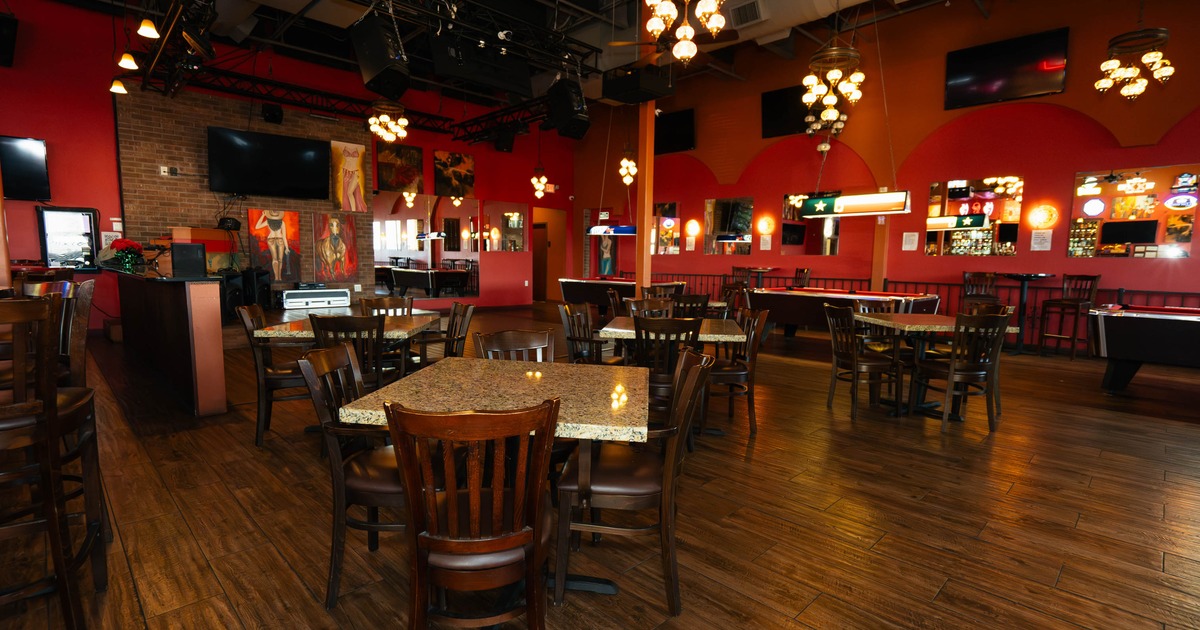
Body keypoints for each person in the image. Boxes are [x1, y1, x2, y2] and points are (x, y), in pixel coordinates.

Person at [255, 210, 287, 280]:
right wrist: (287, 247)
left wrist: (263, 215)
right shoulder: (282, 222)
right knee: (280, 260)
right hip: (280, 239)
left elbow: (257, 226)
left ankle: (276, 277)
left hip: (271, 239)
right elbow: (284, 236)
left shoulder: (268, 221)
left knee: (275, 259)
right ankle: (279, 277)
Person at [340, 145, 368, 214]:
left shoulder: (358, 147)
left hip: (355, 172)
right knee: (346, 192)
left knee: (349, 192)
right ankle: (351, 210)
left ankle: (353, 210)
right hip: (346, 172)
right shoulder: (345, 148)